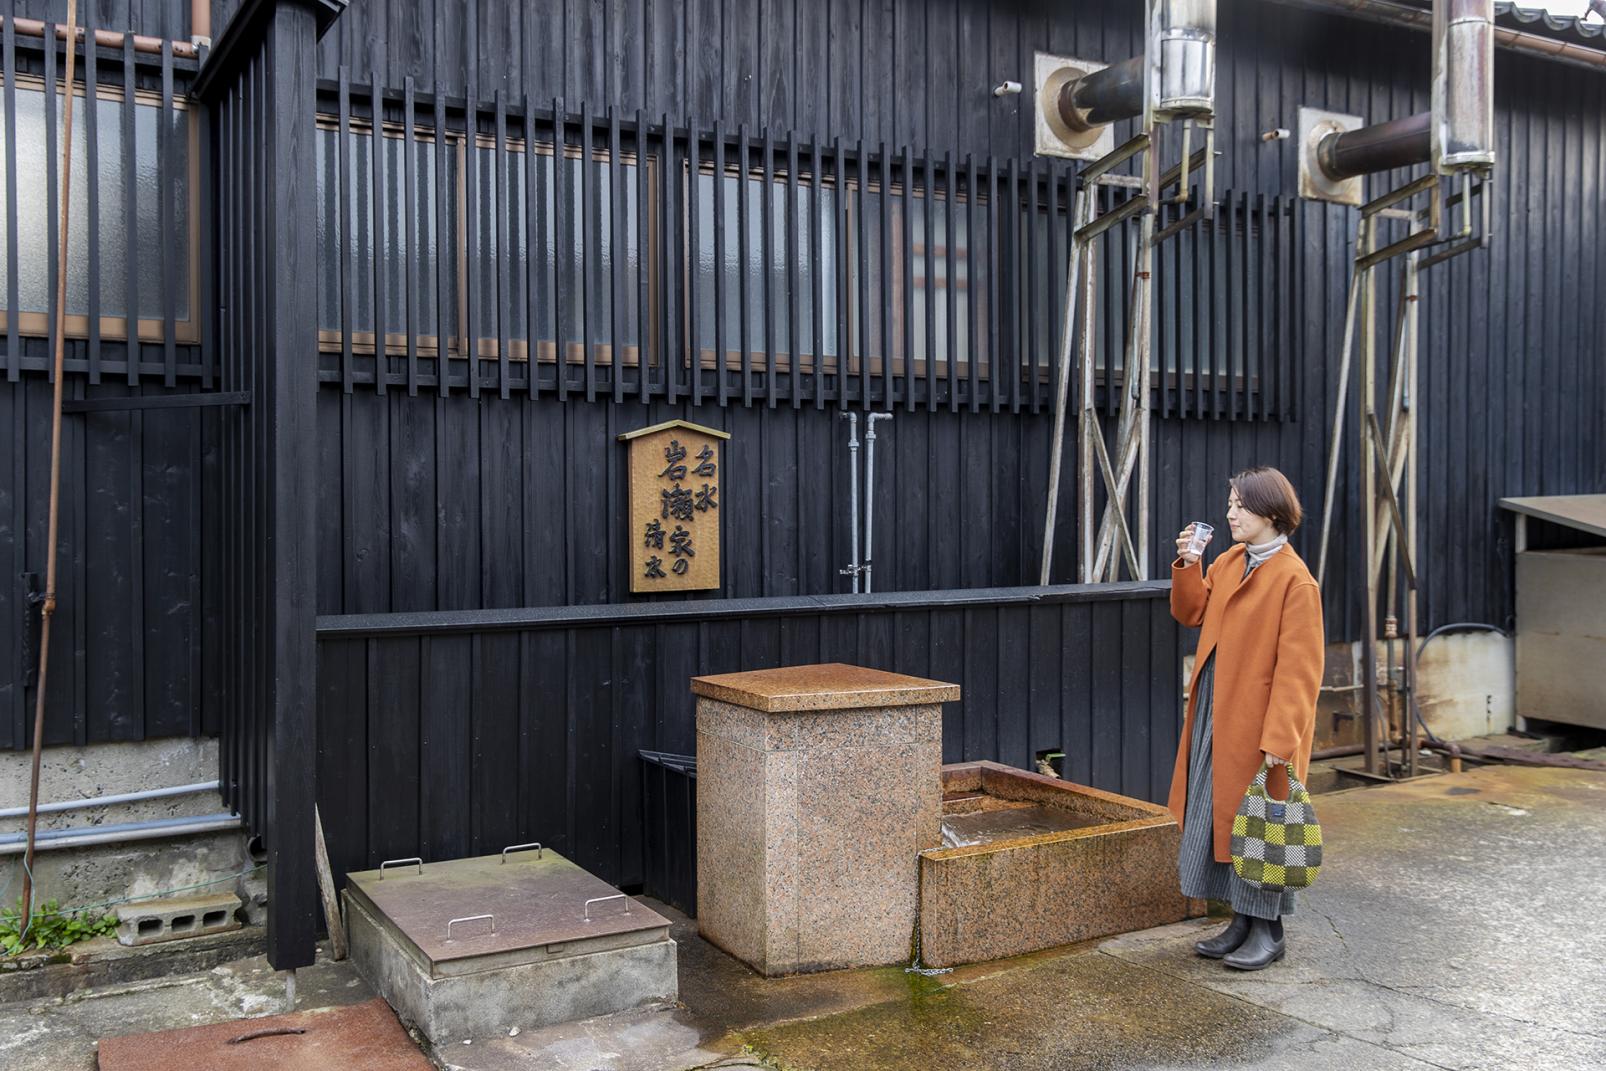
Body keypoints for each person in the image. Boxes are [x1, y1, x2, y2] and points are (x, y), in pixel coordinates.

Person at [1166, 466, 1324, 970]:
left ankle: (1269, 931)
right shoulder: (1233, 560)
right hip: (1219, 708)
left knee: (1262, 823)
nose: (1231, 513)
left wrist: (1281, 738)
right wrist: (1190, 563)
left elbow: (1301, 672)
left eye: (1241, 505)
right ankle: (1240, 919)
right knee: (1224, 815)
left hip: (1261, 722)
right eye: (1230, 502)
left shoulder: (1295, 581)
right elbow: (1190, 613)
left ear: (1272, 513)